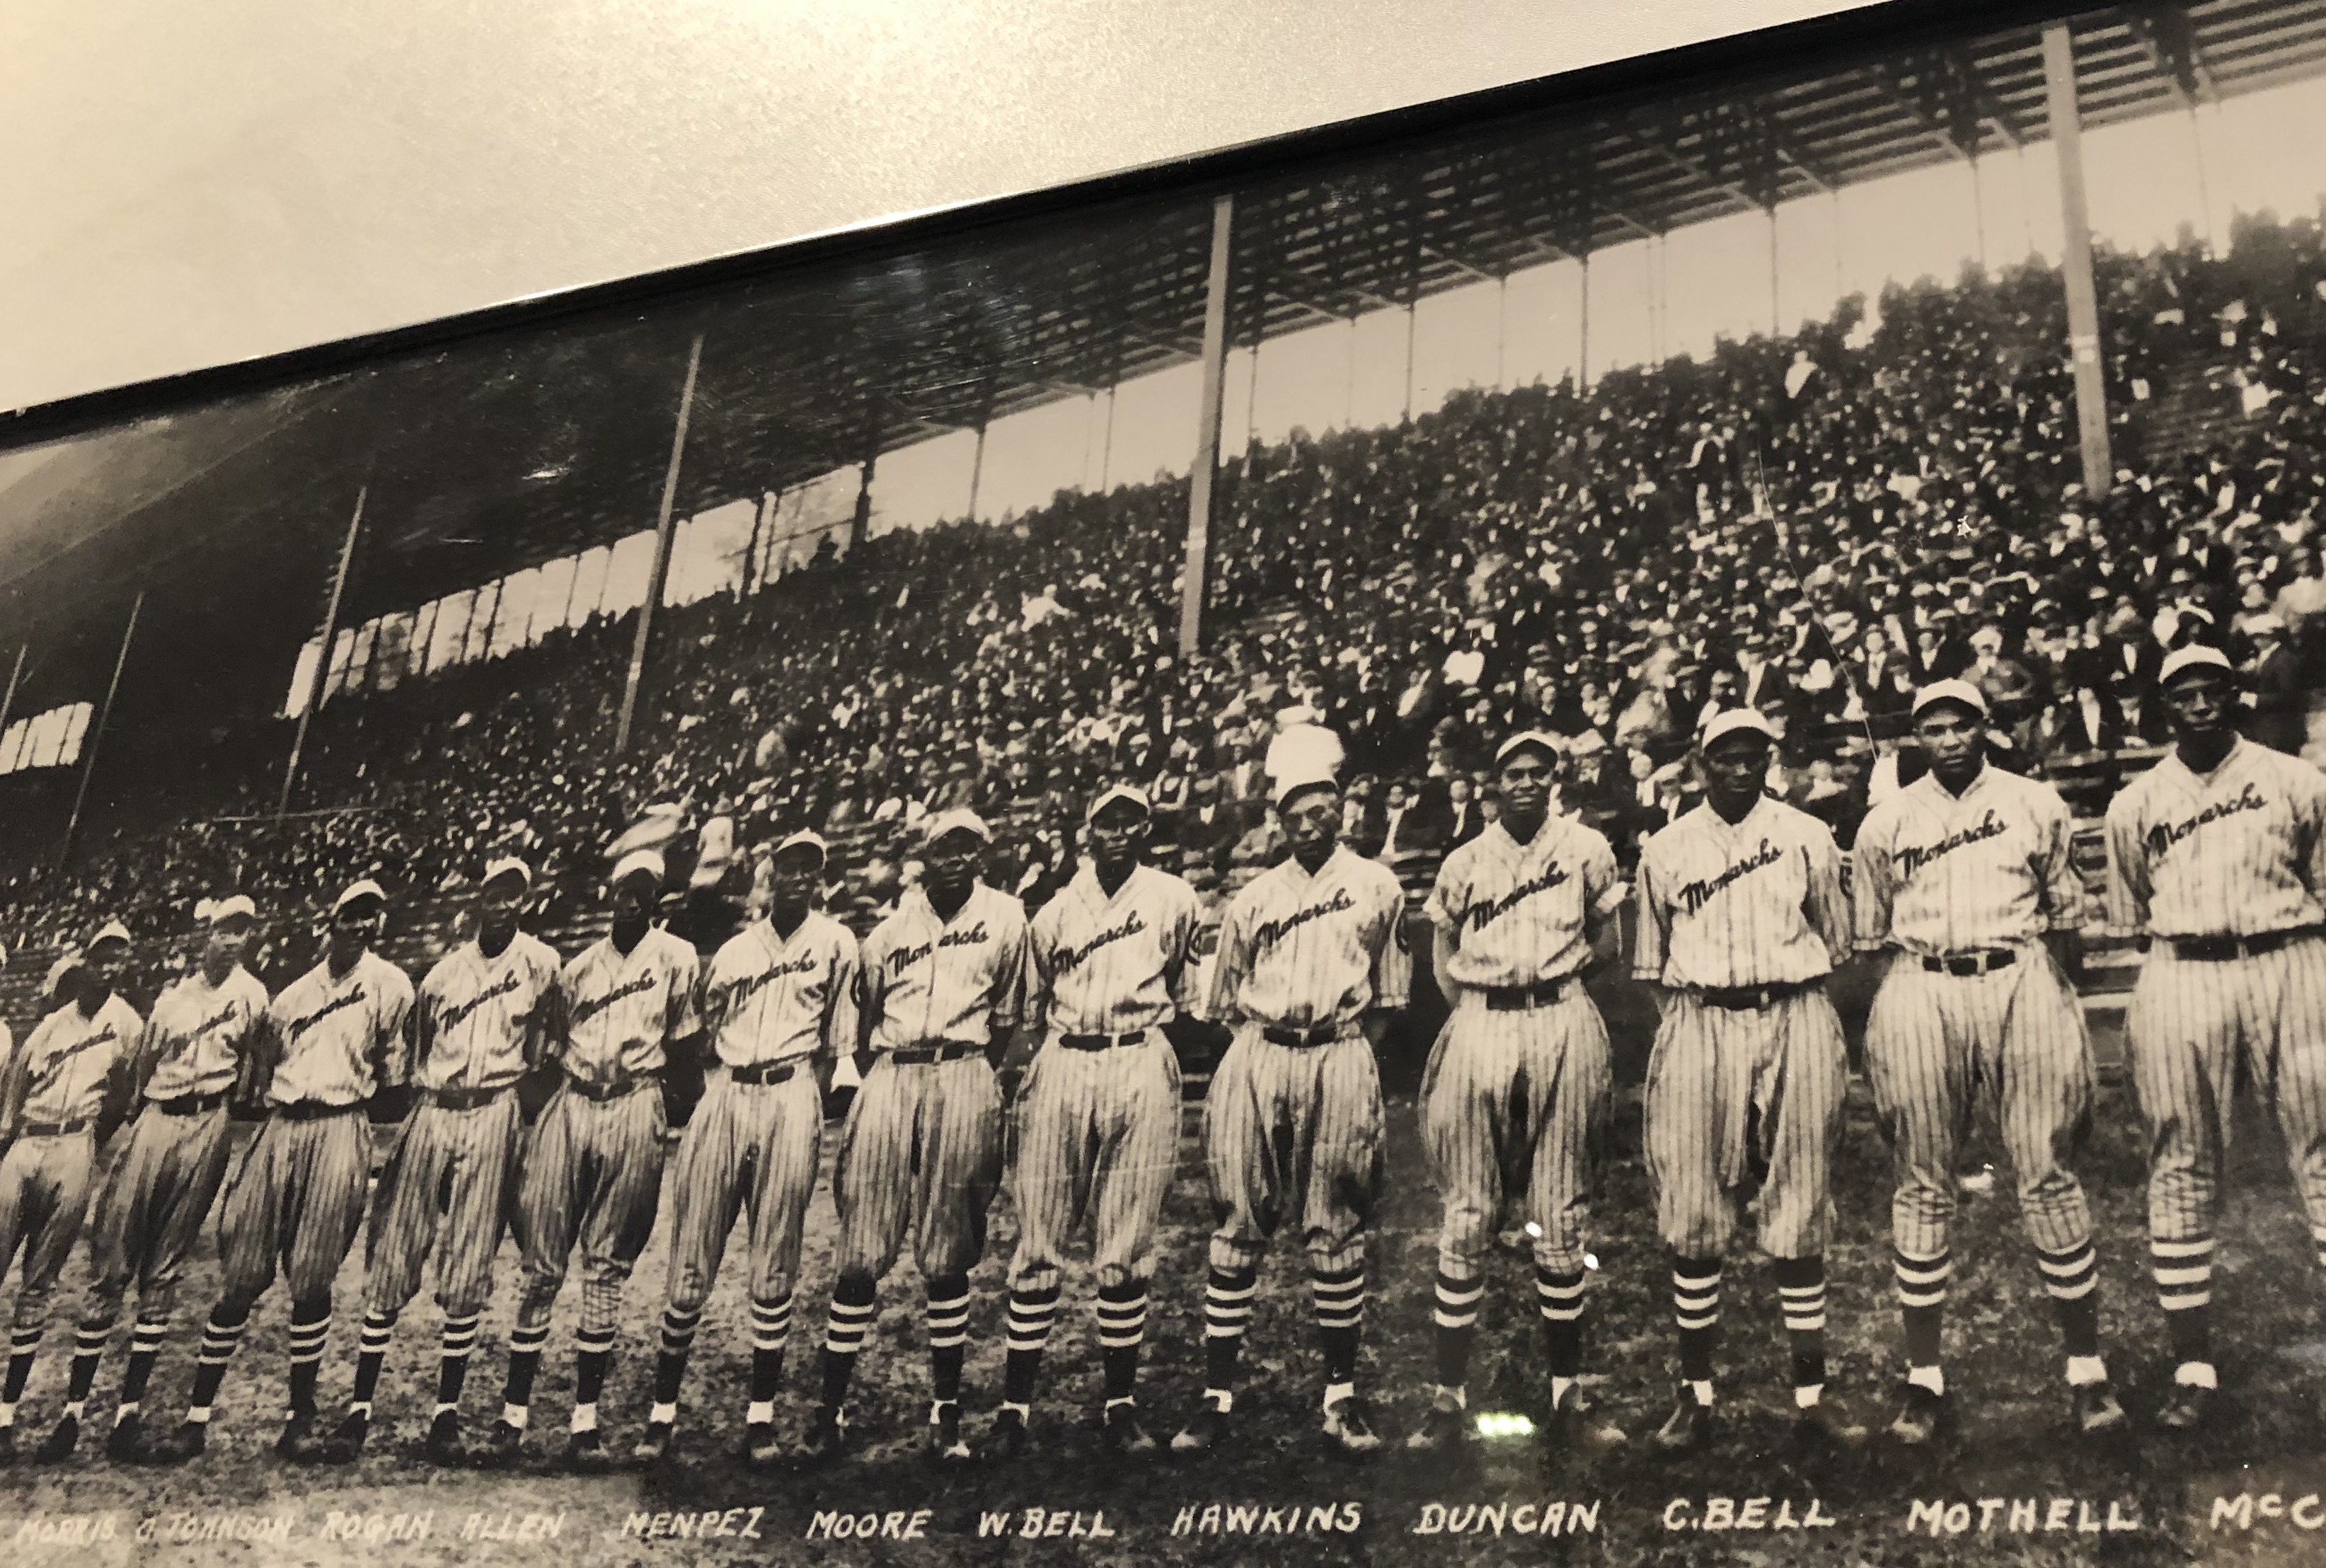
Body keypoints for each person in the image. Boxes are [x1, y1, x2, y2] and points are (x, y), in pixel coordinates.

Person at [1850, 681, 2125, 1444]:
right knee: (1921, 1174)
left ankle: (2085, 1369)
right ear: (1915, 737)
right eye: (1933, 728)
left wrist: (2055, 995)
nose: (1949, 738)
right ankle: (1922, 1379)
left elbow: (2064, 916)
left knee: (2044, 1164)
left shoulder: (2034, 800)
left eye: (1961, 723)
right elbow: (1872, 938)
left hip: (2018, 970)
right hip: (1922, 979)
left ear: (1984, 726)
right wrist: (1895, 1018)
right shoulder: (1885, 820)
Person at [2105, 645, 2326, 1429]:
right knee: (2179, 1158)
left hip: (2290, 960)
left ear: (2235, 695)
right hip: (2183, 967)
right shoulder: (2134, 803)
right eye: (2182, 695)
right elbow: (2131, 912)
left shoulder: (2296, 780)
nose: (2199, 705)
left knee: (2323, 1152)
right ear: (2162, 708)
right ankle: (2191, 1365)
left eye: (2212, 690)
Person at [1171, 765, 1410, 1458]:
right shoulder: (1254, 895)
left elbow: (1391, 1000)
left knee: (1334, 1223)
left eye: (1324, 809)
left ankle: (1340, 1395)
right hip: (1258, 1050)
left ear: (1342, 810)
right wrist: (1265, 1045)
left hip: (1339, 1048)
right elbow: (1218, 1003)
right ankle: (1216, 1397)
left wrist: (1344, 1052)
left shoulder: (1377, 884)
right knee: (1237, 1220)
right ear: (1277, 820)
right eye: (1298, 813)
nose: (1312, 823)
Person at [1630, 709, 1852, 1453]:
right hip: (1699, 1017)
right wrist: (1702, 1014)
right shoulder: (1663, 848)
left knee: (1798, 1197)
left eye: (1750, 754)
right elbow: (1650, 966)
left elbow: (1835, 935)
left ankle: (1811, 1393)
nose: (1736, 767)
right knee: (1692, 1204)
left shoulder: (1805, 834)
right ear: (1699, 761)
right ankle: (1694, 1395)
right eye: (1722, 756)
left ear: (1769, 757)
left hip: (1792, 1008)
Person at [1406, 733, 1628, 1458]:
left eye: (1538, 771)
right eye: (1513, 772)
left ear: (1554, 778)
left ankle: (1570, 1396)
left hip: (1561, 1014)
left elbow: (1607, 936)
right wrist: (1473, 1006)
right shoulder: (1465, 858)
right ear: (1494, 782)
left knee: (1559, 1208)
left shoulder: (1586, 845)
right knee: (1468, 1209)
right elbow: (1439, 951)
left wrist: (1556, 985)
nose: (1526, 781)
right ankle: (1447, 1398)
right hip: (1481, 1018)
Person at [155, 882, 414, 1464]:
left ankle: (300, 1419)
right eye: (352, 916)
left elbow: (394, 1080)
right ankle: (195, 1418)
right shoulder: (290, 997)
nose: (362, 927)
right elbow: (264, 1070)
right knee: (241, 1273)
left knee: (313, 1278)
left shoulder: (393, 985)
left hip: (342, 1122)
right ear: (333, 920)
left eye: (372, 918)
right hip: (282, 1123)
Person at [806, 809, 1029, 1465]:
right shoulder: (887, 933)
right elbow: (865, 1015)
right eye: (943, 848)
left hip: (963, 1068)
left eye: (968, 846)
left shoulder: (1008, 917)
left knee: (948, 1250)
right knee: (860, 1247)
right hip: (893, 1072)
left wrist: (974, 1078)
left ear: (981, 855)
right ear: (924, 857)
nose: (955, 857)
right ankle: (829, 1410)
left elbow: (1012, 1016)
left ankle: (947, 1414)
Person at [633, 831, 855, 1468]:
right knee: (691, 1258)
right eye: (787, 867)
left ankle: (760, 1419)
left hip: (790, 1091)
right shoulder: (733, 951)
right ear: (768, 875)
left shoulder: (837, 943)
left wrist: (829, 1087)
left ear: (820, 881)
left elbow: (842, 1037)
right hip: (728, 1090)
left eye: (809, 871)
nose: (797, 879)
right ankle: (661, 1415)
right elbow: (700, 1035)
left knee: (774, 1260)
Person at [991, 784, 1199, 1459]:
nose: (1118, 833)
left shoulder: (1173, 897)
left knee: (1127, 1242)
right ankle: (1014, 1409)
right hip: (1066, 1057)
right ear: (1087, 832)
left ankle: (1119, 1406)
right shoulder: (1053, 911)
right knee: (1040, 1234)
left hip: (1140, 1054)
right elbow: (1030, 1004)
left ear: (1146, 830)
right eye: (1106, 823)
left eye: (1131, 822)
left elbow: (1188, 989)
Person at [333, 858, 562, 1465]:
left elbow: (546, 1048)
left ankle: (445, 1414)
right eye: (494, 892)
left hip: (494, 1109)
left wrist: (520, 1115)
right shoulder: (440, 976)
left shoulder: (542, 963)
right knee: (393, 1252)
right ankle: (358, 1409)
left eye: (515, 893)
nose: (503, 903)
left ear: (525, 900)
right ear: (478, 899)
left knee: (467, 1262)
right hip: (435, 1107)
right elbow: (414, 1056)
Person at [488, 848, 700, 1471]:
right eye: (623, 888)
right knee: (542, 1265)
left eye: (643, 889)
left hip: (637, 1101)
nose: (631, 899)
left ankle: (585, 1423)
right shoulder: (577, 969)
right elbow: (545, 1058)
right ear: (611, 893)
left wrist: (673, 1115)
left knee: (606, 1265)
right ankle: (513, 1417)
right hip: (574, 1101)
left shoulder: (676, 958)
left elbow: (686, 1050)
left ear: (657, 897)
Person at [42, 899, 266, 1463]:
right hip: (158, 1118)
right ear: (206, 934)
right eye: (225, 929)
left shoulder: (255, 996)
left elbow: (256, 1068)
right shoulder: (172, 999)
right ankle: (73, 1411)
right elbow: (139, 1077)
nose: (233, 940)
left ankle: (128, 1414)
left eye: (243, 930)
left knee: (164, 1269)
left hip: (210, 1122)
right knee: (112, 1261)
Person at [0, 923, 142, 1460]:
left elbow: (123, 1094)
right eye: (100, 958)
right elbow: (10, 1106)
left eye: (117, 959)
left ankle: (7, 1415)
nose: (108, 968)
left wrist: (87, 1145)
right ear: (83, 962)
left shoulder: (128, 1023)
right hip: (26, 1147)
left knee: (39, 1284)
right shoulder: (45, 1030)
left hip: (75, 1147)